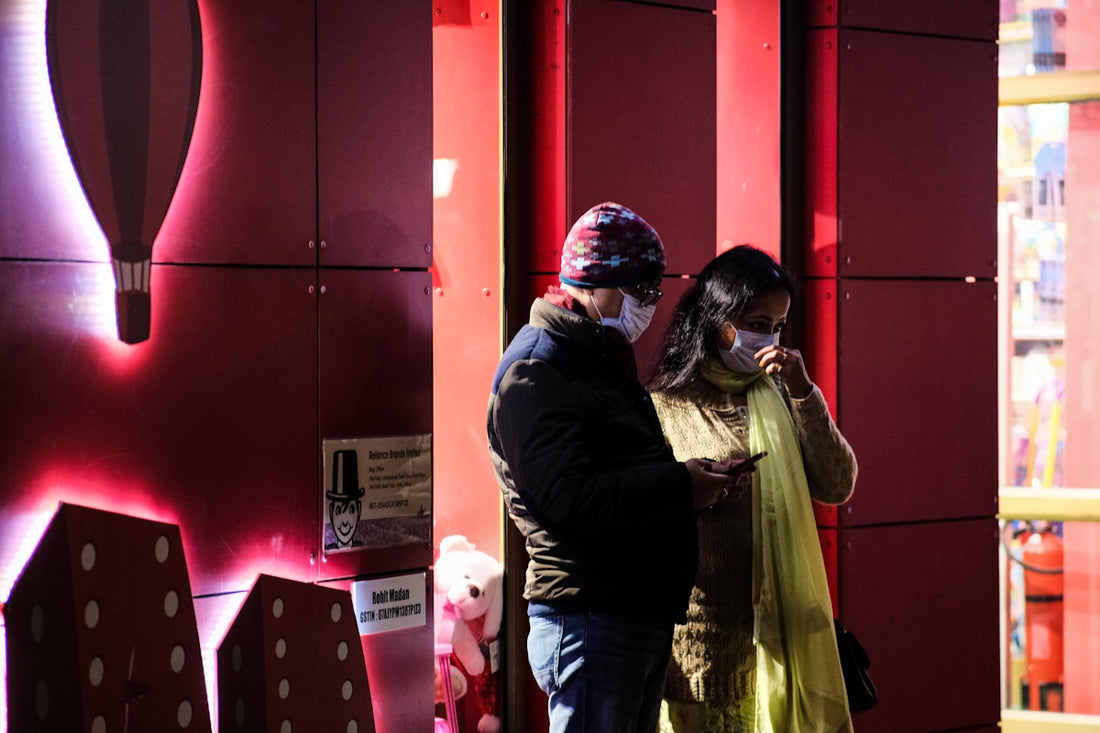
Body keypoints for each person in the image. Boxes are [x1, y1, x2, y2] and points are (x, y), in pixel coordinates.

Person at [487, 202, 736, 733]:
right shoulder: (537, 368)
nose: (648, 306)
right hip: (589, 618)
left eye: (654, 293)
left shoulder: (596, 355)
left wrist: (692, 480)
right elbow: (569, 500)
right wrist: (679, 487)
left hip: (626, 612)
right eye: (640, 291)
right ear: (594, 284)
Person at [648, 245, 858, 733]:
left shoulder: (781, 396)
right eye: (757, 323)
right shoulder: (664, 407)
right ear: (719, 321)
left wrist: (805, 392)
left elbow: (837, 483)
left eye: (778, 325)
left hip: (785, 642)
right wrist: (698, 490)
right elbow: (642, 511)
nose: (769, 338)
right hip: (700, 647)